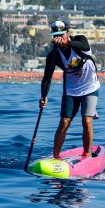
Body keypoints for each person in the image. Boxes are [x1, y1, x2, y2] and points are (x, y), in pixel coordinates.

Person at [39, 21, 100, 159]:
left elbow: (84, 46)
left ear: (68, 33)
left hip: (90, 87)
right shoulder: (54, 55)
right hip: (71, 90)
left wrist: (67, 43)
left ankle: (86, 154)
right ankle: (55, 157)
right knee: (64, 122)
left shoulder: (80, 40)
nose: (58, 38)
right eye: (55, 36)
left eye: (61, 35)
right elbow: (47, 78)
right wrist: (43, 96)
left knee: (86, 121)